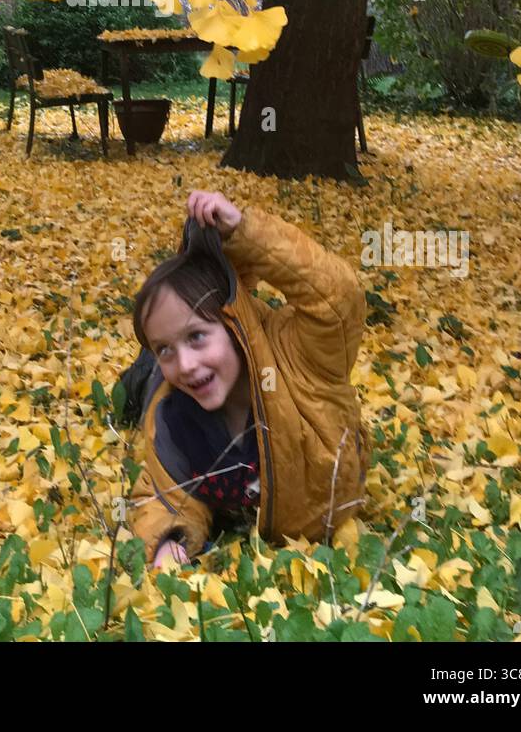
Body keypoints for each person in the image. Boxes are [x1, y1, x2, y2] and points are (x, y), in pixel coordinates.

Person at [125, 190, 370, 569]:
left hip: (320, 512)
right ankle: (140, 374)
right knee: (148, 388)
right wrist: (169, 541)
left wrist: (247, 235)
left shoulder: (300, 357)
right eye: (165, 348)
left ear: (233, 325)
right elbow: (162, 495)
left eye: (196, 337)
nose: (187, 364)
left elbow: (339, 299)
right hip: (167, 397)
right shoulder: (175, 417)